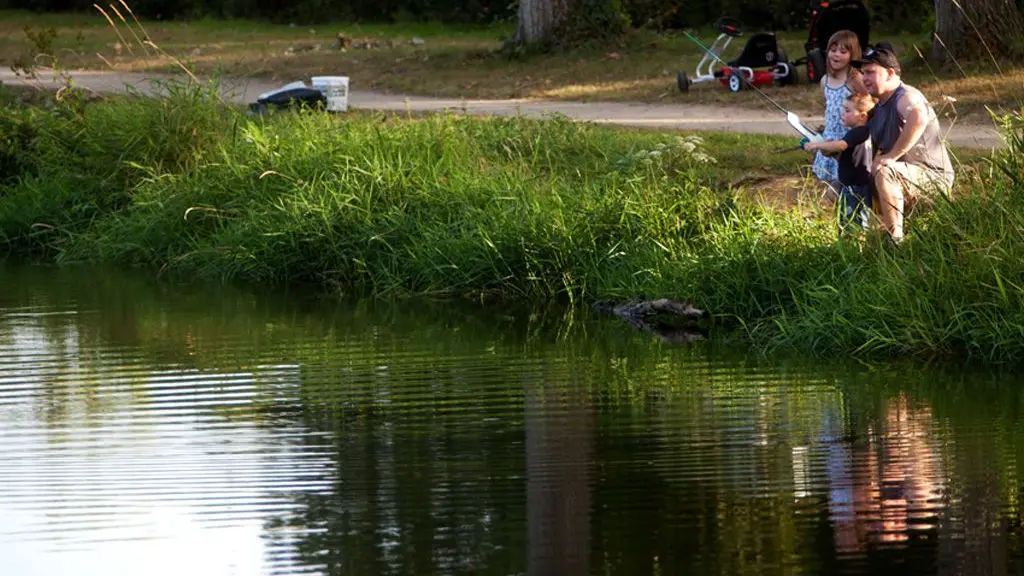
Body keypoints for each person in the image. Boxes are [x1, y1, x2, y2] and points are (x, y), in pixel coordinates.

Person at [853, 43, 955, 243]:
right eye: (863, 73)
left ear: (890, 74)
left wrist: (891, 157)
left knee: (884, 171)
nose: (864, 78)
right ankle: (863, 240)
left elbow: (918, 117)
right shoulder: (880, 105)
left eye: (871, 72)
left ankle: (895, 240)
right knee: (847, 182)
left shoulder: (906, 95)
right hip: (904, 175)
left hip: (933, 177)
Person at [803, 93, 876, 234]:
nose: (842, 113)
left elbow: (841, 146)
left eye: (848, 111)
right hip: (851, 185)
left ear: (862, 116)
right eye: (843, 109)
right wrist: (828, 150)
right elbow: (847, 155)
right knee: (846, 217)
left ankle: (853, 246)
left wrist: (817, 145)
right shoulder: (858, 133)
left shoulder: (859, 132)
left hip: (856, 187)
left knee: (852, 222)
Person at [811, 30, 867, 192]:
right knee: (828, 186)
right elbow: (827, 108)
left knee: (846, 184)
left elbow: (867, 105)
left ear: (853, 55)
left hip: (847, 140)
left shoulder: (855, 80)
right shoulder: (825, 80)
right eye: (833, 50)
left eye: (843, 52)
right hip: (830, 138)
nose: (836, 55)